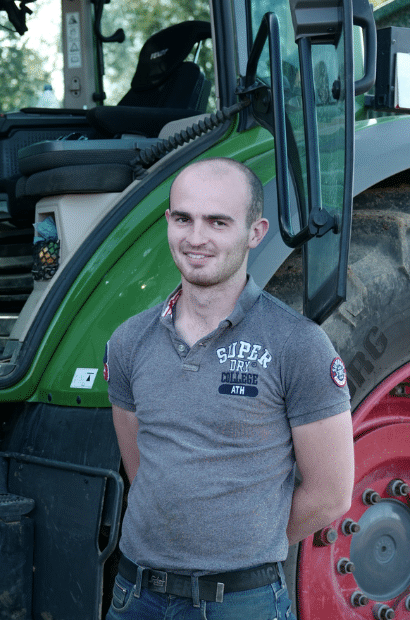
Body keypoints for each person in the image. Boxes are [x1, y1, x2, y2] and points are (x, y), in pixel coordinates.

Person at [105, 157, 353, 620]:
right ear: (168, 222)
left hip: (241, 602)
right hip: (136, 596)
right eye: (183, 219)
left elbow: (330, 494)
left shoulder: (297, 345)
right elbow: (141, 467)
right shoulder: (128, 341)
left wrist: (247, 544)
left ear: (255, 232)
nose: (196, 238)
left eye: (217, 222)